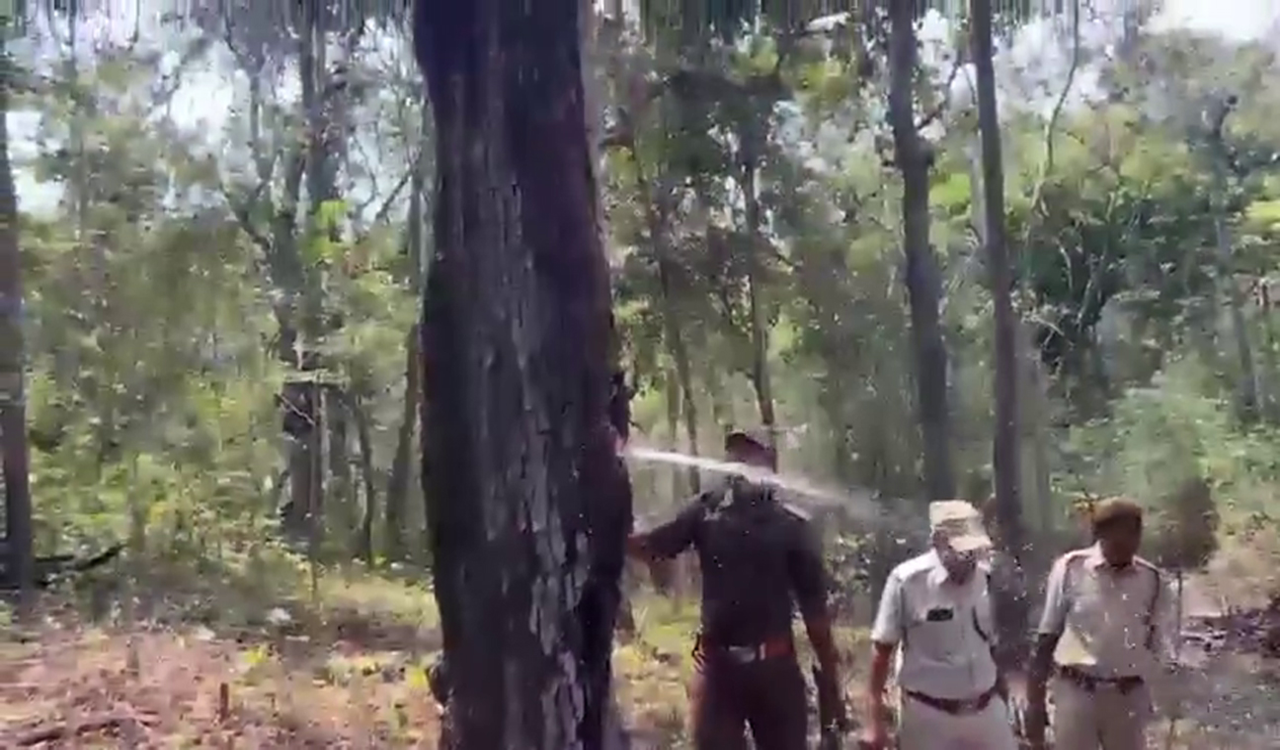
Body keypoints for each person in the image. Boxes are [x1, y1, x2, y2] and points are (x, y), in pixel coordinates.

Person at [627, 427, 847, 750]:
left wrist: (831, 685)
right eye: (737, 453)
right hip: (719, 671)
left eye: (752, 452)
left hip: (775, 672)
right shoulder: (705, 512)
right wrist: (607, 527)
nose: (742, 460)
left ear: (770, 464)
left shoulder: (791, 526)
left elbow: (815, 613)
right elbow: (654, 544)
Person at [862, 500, 1018, 750]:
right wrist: (874, 721)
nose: (968, 559)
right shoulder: (908, 582)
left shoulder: (987, 578)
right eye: (961, 551)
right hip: (929, 715)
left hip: (986, 710)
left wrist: (1003, 697)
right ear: (938, 542)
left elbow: (991, 645)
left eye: (973, 551)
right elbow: (881, 652)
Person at [1024, 497, 1177, 750]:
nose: (1128, 543)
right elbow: (1047, 636)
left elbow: (1157, 643)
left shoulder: (1152, 580)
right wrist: (1035, 704)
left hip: (1126, 698)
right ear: (1099, 534)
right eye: (1119, 536)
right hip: (1077, 693)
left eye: (1134, 533)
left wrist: (1166, 697)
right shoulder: (1071, 568)